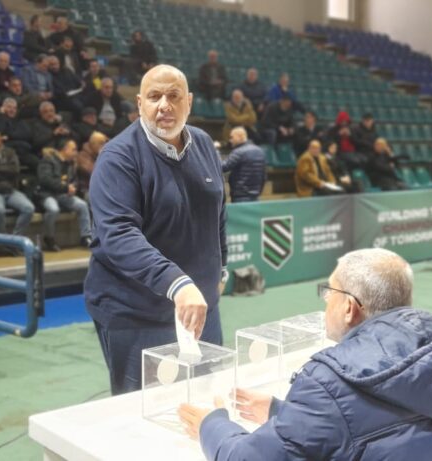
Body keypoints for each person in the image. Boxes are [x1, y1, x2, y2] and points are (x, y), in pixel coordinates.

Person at [179, 249, 432, 460]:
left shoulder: (328, 382)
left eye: (329, 292)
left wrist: (212, 425)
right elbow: (383, 428)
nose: (325, 300)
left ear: (349, 307)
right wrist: (283, 413)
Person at [85, 65, 227, 395]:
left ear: (189, 102)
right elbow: (119, 235)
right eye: (154, 96)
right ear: (140, 104)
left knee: (206, 398)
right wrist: (178, 284)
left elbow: (217, 209)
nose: (164, 105)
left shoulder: (204, 144)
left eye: (174, 96)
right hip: (137, 312)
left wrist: (220, 270)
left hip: (198, 307)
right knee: (147, 410)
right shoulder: (118, 157)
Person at [37, 138, 92, 251]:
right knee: (53, 209)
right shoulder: (48, 160)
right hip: (47, 194)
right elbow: (45, 180)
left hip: (63, 194)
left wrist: (73, 187)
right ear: (65, 149)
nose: (76, 152)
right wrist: (66, 187)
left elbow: (73, 180)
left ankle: (86, 236)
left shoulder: (71, 163)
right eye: (73, 149)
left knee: (82, 205)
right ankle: (49, 238)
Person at [222, 127, 266, 202]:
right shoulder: (260, 151)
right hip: (255, 195)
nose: (230, 140)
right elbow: (264, 176)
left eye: (232, 137)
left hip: (240, 196)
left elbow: (223, 167)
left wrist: (214, 152)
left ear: (239, 137)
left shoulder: (239, 152)